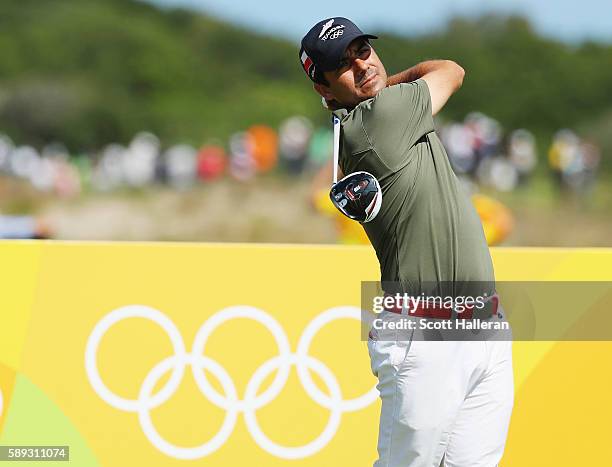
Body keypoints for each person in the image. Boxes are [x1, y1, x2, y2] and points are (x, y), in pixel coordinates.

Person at [299, 18, 514, 467]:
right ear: (323, 88)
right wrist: (391, 83)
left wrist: (378, 85)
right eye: (342, 65)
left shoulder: (374, 116)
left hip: (481, 326)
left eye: (362, 50)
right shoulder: (382, 117)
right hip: (425, 335)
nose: (361, 65)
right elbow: (451, 70)